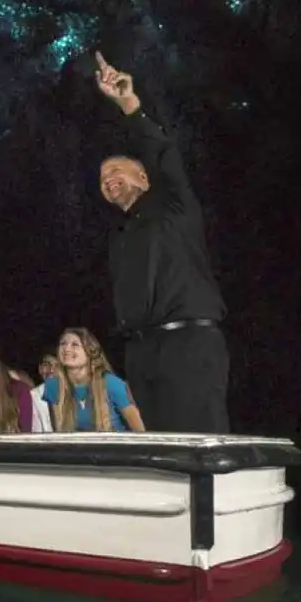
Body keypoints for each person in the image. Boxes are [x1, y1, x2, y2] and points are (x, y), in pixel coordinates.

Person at [93, 51, 230, 433]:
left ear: (144, 177)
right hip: (141, 352)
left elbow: (162, 152)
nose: (108, 180)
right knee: (156, 449)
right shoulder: (121, 236)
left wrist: (128, 104)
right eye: (103, 179)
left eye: (116, 170)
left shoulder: (174, 205)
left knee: (196, 444)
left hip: (188, 342)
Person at [44, 328, 146, 432]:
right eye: (63, 344)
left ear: (91, 351)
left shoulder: (112, 384)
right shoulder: (53, 386)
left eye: (75, 344)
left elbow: (139, 432)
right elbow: (57, 429)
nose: (66, 349)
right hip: (75, 447)